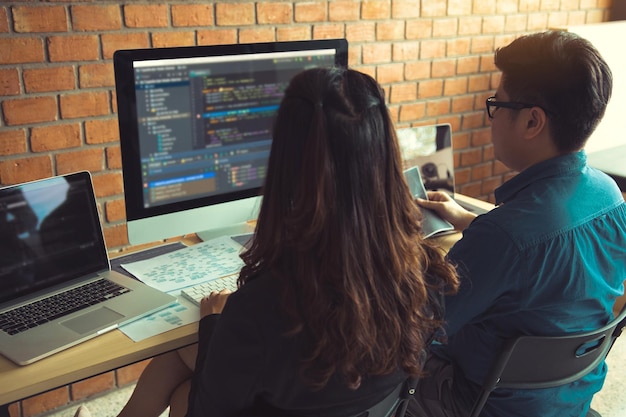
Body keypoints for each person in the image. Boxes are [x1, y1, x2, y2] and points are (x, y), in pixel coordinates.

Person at [75, 67, 459, 417]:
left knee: (183, 394)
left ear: (284, 165)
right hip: (346, 392)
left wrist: (213, 325)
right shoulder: (425, 271)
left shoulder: (265, 307)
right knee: (174, 363)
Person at [412, 30, 626, 417]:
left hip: (478, 402)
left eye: (497, 104)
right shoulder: (610, 197)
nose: (490, 116)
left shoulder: (503, 239)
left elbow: (420, 324)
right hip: (569, 398)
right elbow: (546, 246)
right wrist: (469, 219)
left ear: (532, 121)